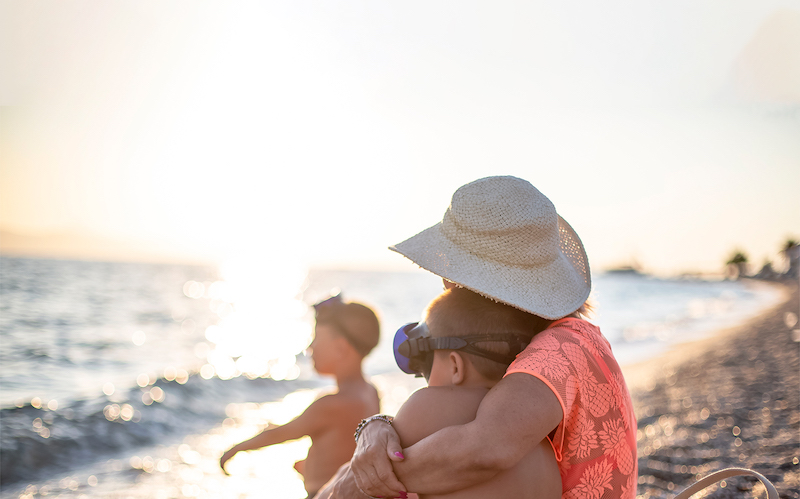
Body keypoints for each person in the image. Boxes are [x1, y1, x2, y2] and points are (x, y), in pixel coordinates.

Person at [317, 176, 637, 499]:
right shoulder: (566, 338)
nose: (445, 282)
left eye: (453, 271)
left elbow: (485, 450)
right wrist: (373, 427)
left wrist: (360, 482)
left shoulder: (559, 349)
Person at [390, 286, 561, 499]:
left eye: (427, 365)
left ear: (455, 366)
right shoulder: (542, 444)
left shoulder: (427, 408)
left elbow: (369, 479)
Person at [220, 294, 381, 499]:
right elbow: (352, 449)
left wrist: (236, 449)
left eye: (316, 339)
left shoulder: (332, 404)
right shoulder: (370, 392)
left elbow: (282, 433)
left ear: (340, 348)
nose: (309, 348)